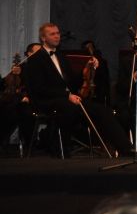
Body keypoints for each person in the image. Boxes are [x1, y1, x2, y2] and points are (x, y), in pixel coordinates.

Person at [22, 23, 131, 156]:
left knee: (102, 110)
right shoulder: (35, 59)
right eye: (52, 34)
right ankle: (60, 147)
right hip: (47, 101)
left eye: (58, 33)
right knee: (70, 108)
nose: (57, 36)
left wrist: (86, 68)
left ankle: (125, 148)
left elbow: (73, 83)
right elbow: (40, 88)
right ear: (43, 38)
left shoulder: (61, 56)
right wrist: (66, 95)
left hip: (68, 99)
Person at [0, 43, 40, 147]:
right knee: (12, 108)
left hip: (37, 101)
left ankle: (30, 143)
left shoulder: (46, 69)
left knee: (17, 109)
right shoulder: (22, 67)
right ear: (29, 54)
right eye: (38, 52)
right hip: (22, 101)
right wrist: (13, 74)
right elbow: (7, 85)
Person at [79, 40, 111, 107]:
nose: (89, 50)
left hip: (99, 90)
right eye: (86, 49)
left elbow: (105, 80)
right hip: (85, 89)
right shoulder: (81, 61)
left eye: (91, 48)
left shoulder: (102, 62)